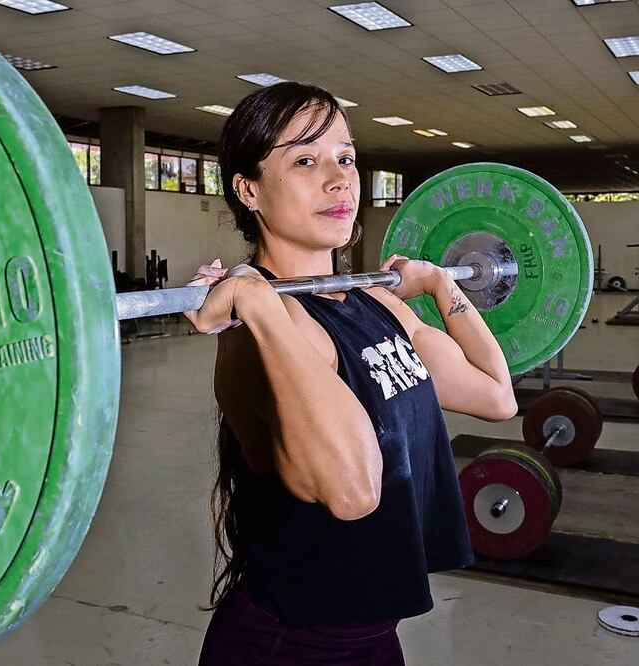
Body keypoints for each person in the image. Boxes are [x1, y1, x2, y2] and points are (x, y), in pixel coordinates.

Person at [184, 82, 518, 665]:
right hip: (289, 644)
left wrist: (441, 286)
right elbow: (352, 491)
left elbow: (496, 395)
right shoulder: (260, 326)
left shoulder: (376, 303)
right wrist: (259, 303)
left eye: (345, 157)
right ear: (248, 189)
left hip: (372, 638)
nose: (339, 179)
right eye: (306, 161)